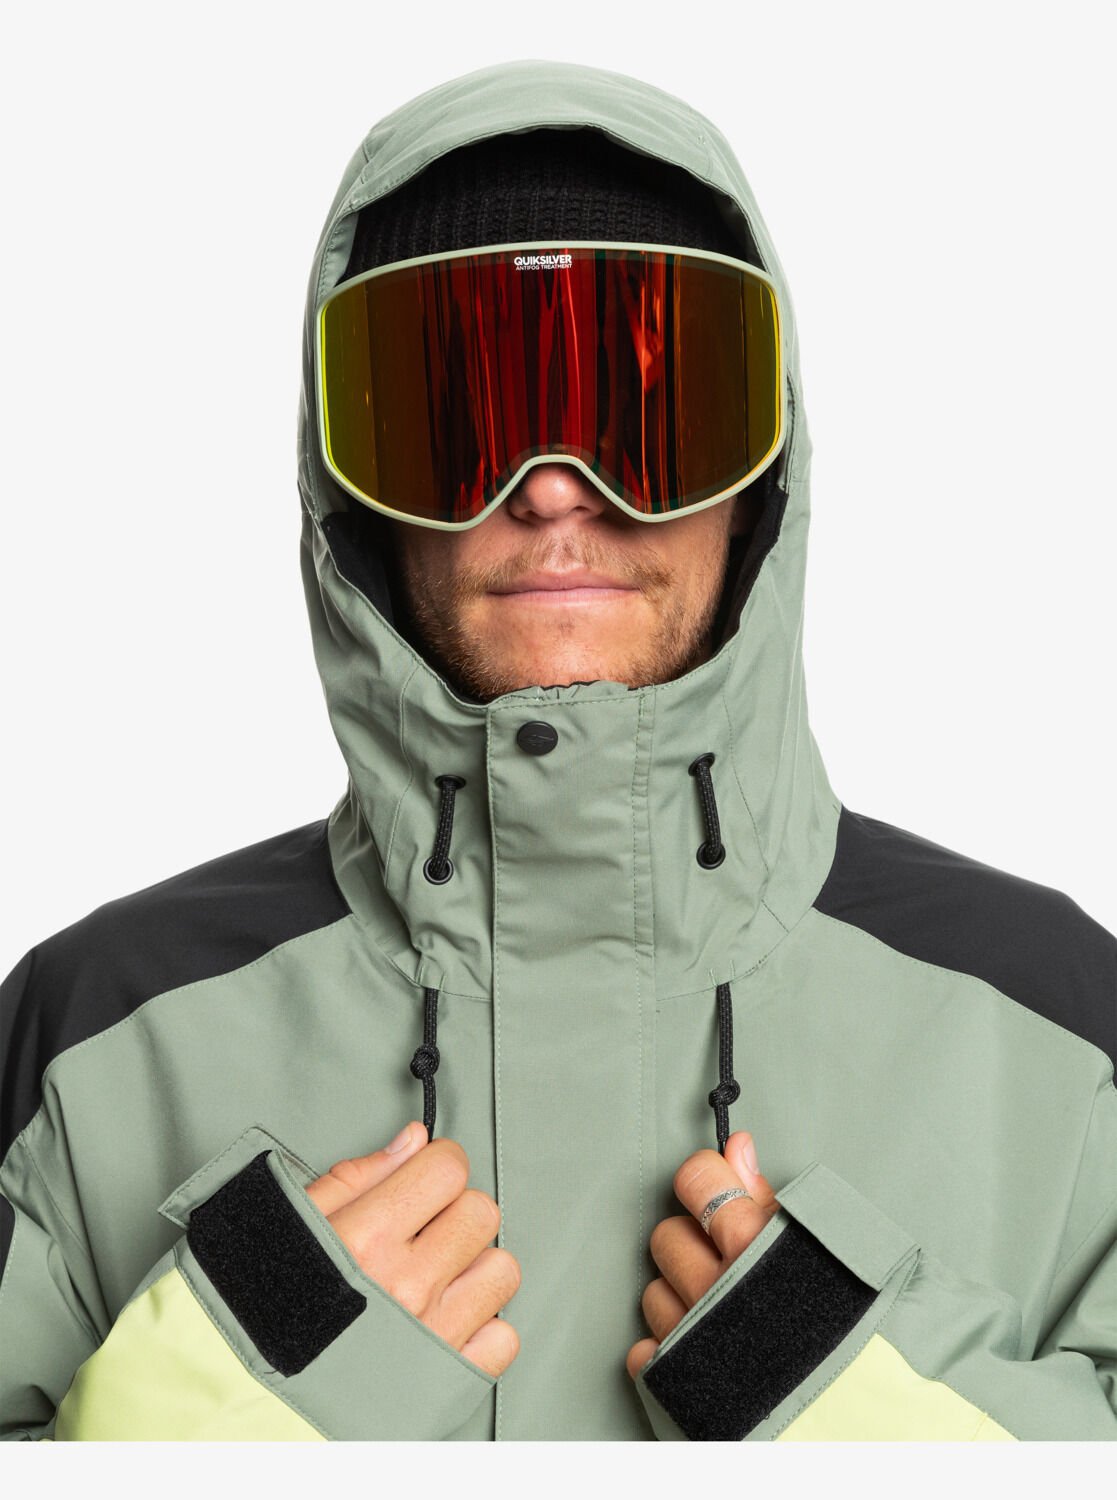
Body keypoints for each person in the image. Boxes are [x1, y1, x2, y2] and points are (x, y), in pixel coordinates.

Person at [1, 57, 1114, 1444]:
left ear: (762, 476)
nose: (550, 489)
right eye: (456, 411)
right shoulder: (96, 1039)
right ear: (349, 489)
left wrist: (904, 1434)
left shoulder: (1061, 1032)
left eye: (646, 407)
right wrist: (182, 1443)